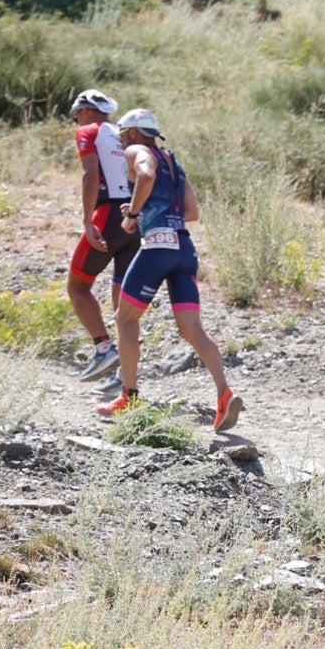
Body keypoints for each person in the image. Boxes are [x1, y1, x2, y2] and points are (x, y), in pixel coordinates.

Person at [96, 109, 244, 433]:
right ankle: (225, 393)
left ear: (134, 133)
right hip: (185, 250)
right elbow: (192, 212)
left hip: (158, 247)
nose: (122, 144)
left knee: (124, 318)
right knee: (192, 329)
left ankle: (129, 396)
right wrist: (147, 208)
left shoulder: (139, 152)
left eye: (123, 136)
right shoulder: (174, 164)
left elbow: (145, 177)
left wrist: (134, 214)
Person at [65, 89, 138, 384]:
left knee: (78, 287)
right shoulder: (124, 134)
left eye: (76, 114)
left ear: (86, 111)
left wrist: (86, 219)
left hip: (107, 214)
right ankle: (123, 374)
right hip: (135, 218)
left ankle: (103, 348)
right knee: (123, 305)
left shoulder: (88, 130)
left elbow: (89, 173)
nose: (76, 120)